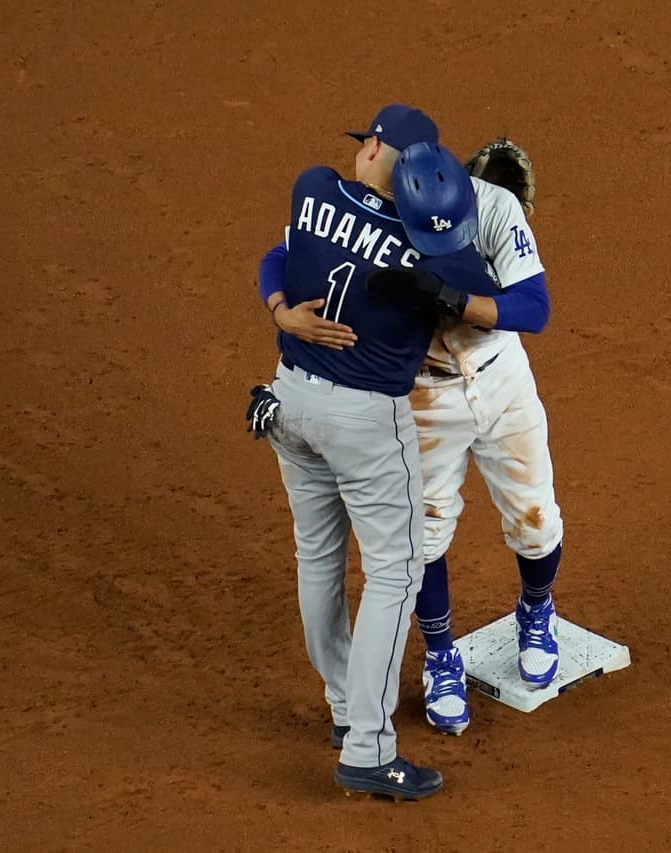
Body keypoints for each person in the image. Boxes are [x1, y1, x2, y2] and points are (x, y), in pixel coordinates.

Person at [268, 137, 564, 738]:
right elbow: (282, 252)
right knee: (422, 536)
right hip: (423, 395)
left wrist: (454, 297)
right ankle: (441, 653)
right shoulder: (366, 210)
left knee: (536, 521)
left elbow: (534, 308)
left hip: (500, 377)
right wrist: (281, 310)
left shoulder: (492, 205)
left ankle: (537, 609)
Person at [249, 104, 493, 800]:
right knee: (394, 571)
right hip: (363, 421)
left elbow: (281, 254)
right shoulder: (433, 251)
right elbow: (483, 290)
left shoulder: (312, 189)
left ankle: (343, 707)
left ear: (379, 149)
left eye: (370, 141)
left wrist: (277, 310)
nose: (360, 149)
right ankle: (369, 745)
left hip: (288, 400)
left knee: (318, 554)